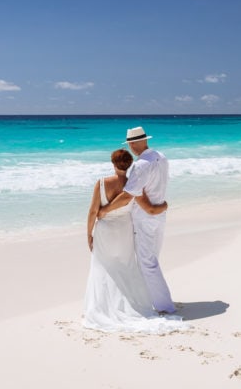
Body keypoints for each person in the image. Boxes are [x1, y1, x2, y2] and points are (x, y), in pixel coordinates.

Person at [83, 149, 183, 333]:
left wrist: (89, 233)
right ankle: (129, 306)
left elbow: (92, 211)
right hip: (125, 231)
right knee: (125, 267)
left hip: (105, 231)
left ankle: (103, 308)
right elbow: (149, 208)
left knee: (103, 268)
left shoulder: (102, 183)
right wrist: (164, 205)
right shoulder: (134, 184)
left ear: (113, 164)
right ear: (129, 165)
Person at [98, 126, 176, 315]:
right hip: (159, 214)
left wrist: (106, 209)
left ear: (133, 143)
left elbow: (129, 195)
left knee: (147, 262)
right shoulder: (161, 157)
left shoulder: (141, 165)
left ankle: (165, 306)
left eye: (131, 144)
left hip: (145, 218)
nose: (131, 148)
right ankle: (153, 299)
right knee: (152, 259)